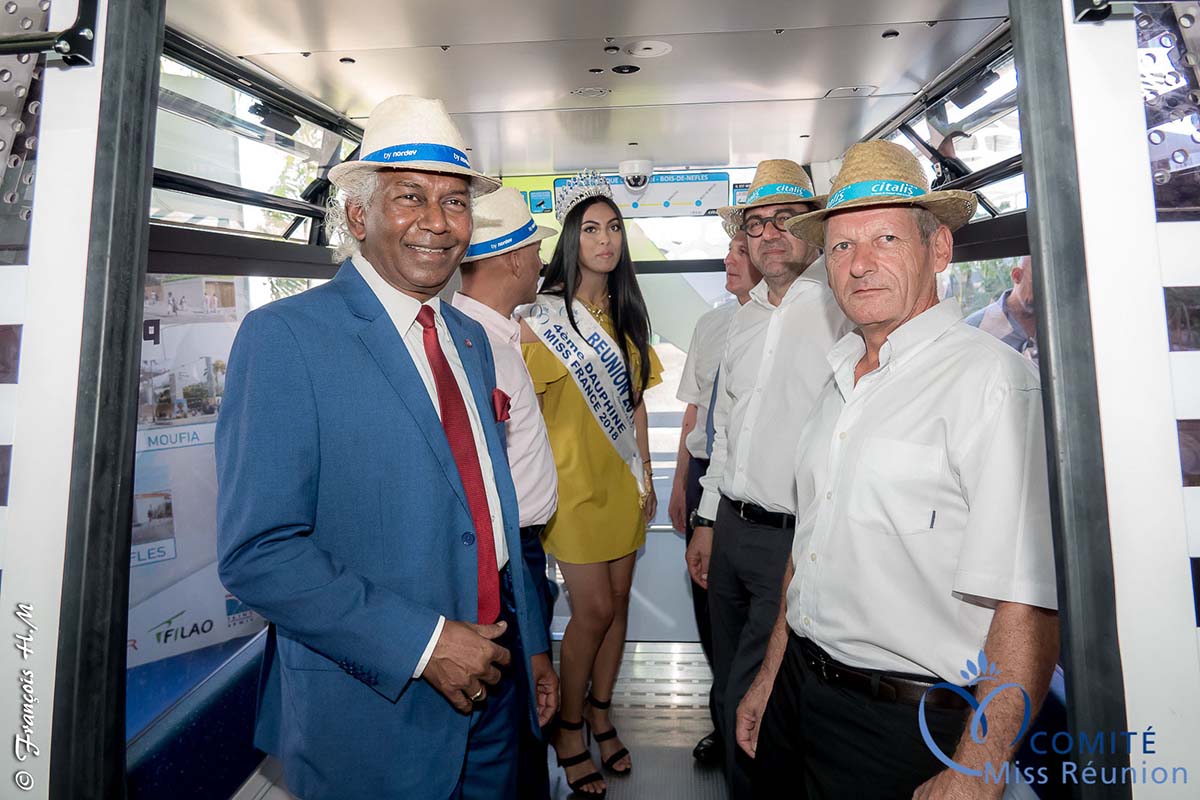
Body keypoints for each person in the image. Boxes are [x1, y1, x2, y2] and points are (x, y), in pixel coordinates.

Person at [215, 95, 557, 800]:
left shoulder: (468, 337)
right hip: (372, 711)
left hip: (497, 688)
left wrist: (533, 651)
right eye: (410, 197)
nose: (437, 222)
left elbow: (489, 514)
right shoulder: (285, 339)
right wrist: (426, 644)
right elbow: (258, 552)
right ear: (358, 215)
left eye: (455, 202)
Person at [737, 139, 1060, 798]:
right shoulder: (839, 380)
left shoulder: (992, 385)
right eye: (841, 247)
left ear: (938, 249)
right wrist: (771, 675)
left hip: (903, 720)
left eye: (885, 238)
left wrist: (979, 768)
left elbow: (1026, 603)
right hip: (800, 684)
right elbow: (811, 551)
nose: (860, 265)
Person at [683, 159, 851, 799]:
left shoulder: (841, 309)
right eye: (756, 224)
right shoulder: (741, 320)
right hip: (731, 527)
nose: (770, 233)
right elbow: (727, 431)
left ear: (812, 231)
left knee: (758, 694)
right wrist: (704, 521)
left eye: (785, 220)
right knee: (730, 680)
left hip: (795, 538)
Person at [520, 170, 662, 798]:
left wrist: (648, 474)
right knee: (594, 610)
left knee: (621, 605)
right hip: (570, 488)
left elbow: (631, 403)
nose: (605, 240)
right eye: (592, 229)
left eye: (615, 229)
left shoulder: (629, 311)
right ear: (573, 238)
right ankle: (570, 727)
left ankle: (603, 713)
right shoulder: (539, 318)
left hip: (622, 483)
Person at [451, 186, 559, 799]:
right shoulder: (476, 348)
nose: (541, 261)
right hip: (505, 560)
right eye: (536, 248)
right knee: (517, 722)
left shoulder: (498, 336)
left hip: (521, 553)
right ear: (514, 258)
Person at [667, 226, 762, 766]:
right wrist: (684, 482)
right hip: (708, 472)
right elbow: (695, 412)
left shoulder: (801, 322)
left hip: (761, 482)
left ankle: (748, 726)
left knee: (758, 620)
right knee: (712, 609)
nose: (728, 260)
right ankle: (722, 717)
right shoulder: (712, 325)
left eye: (739, 251)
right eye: (729, 249)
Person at [965, 255, 1038, 362]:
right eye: (1037, 282)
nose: (1046, 292)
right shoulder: (976, 328)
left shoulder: (1062, 324)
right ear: (1017, 276)